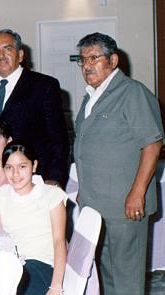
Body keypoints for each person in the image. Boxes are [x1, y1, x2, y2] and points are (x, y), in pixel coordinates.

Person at [74, 32, 163, 295]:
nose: (87, 65)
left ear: (113, 60)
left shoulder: (131, 92)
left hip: (126, 207)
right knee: (108, 276)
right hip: (97, 206)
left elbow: (152, 145)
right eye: (82, 60)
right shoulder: (92, 97)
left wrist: (137, 193)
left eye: (93, 58)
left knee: (127, 279)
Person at [0, 29, 69, 186]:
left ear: (21, 55)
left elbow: (58, 140)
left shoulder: (44, 86)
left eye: (8, 49)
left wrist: (55, 177)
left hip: (33, 177)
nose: (1, 55)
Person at [0, 141, 67, 295]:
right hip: (10, 265)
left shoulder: (51, 195)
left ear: (34, 166)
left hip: (42, 265)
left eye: (22, 166)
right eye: (9, 167)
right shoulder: (0, 195)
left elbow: (59, 242)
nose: (15, 174)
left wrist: (56, 286)